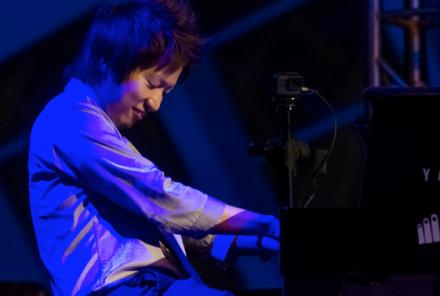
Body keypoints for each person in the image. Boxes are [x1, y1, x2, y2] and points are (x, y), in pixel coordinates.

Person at [28, 0, 279, 295]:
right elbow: (160, 196)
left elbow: (167, 224)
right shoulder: (70, 119)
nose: (156, 102)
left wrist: (261, 240)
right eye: (152, 84)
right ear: (107, 61)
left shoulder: (95, 130)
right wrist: (266, 224)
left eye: (166, 91)